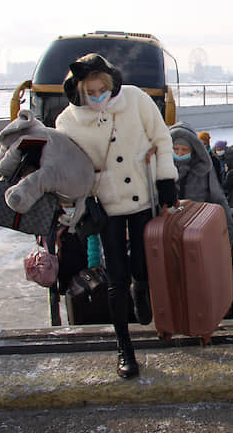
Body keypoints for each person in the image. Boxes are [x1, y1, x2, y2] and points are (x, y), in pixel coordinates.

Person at [56, 53, 177, 379]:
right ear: (79, 90)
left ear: (112, 84)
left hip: (142, 198)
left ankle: (143, 290)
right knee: (116, 278)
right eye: (90, 92)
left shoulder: (135, 99)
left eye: (102, 89)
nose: (98, 97)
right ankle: (124, 348)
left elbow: (162, 137)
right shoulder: (68, 121)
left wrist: (166, 181)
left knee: (141, 266)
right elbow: (66, 167)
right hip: (105, 204)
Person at [170, 123, 233, 243]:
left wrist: (229, 231)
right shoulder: (161, 170)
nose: (179, 154)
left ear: (193, 150)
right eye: (176, 149)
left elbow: (218, 199)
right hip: (168, 232)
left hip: (197, 231)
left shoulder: (203, 170)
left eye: (184, 150)